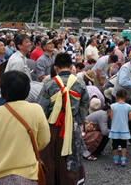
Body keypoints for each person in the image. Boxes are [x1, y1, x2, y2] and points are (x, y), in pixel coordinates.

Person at [0, 71, 50, 184]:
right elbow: (44, 141)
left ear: (3, 90)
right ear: (27, 90)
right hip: (26, 173)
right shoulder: (36, 110)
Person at [36, 52, 89, 184]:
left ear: (55, 68)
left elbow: (41, 107)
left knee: (51, 159)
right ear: (72, 67)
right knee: (71, 160)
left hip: (53, 127)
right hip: (72, 126)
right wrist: (79, 120)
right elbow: (84, 107)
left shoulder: (49, 84)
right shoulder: (80, 84)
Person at [109, 89, 131, 167]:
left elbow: (111, 117)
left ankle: (115, 159)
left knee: (115, 144)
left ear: (117, 96)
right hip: (124, 128)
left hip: (115, 128)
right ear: (125, 97)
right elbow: (130, 118)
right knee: (124, 144)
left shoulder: (113, 106)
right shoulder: (128, 106)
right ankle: (123, 159)